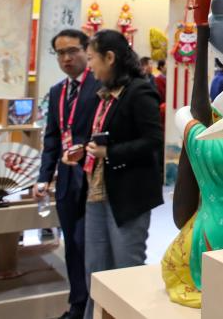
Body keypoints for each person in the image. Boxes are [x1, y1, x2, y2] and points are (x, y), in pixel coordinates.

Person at [81, 30, 163, 319]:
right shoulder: (103, 94)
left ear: (110, 57)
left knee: (126, 270)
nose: (89, 66)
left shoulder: (139, 91)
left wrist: (110, 153)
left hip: (129, 196)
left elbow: (153, 140)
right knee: (96, 269)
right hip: (97, 191)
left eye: (91, 58)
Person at [34, 30, 100, 319]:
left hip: (92, 176)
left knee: (87, 243)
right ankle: (77, 304)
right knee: (71, 243)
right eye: (61, 53)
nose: (67, 58)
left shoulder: (99, 85)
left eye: (73, 51)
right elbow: (52, 138)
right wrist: (44, 177)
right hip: (65, 178)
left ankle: (93, 306)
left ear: (87, 50)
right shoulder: (57, 91)